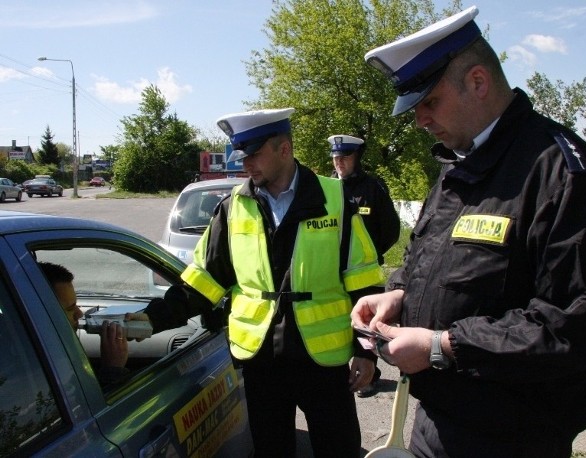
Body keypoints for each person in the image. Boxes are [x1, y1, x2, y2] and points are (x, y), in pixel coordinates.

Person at [351, 6, 586, 457]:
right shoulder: (460, 165)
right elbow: (430, 256)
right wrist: (397, 295)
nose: (420, 119)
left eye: (429, 102)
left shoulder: (562, 174)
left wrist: (442, 346)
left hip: (513, 437)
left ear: (477, 82)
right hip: (438, 420)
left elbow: (574, 327)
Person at [145, 108, 384, 457]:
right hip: (262, 362)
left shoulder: (334, 200)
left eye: (254, 154)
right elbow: (203, 282)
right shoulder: (233, 207)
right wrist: (151, 320)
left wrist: (366, 352)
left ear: (284, 149)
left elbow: (364, 283)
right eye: (243, 156)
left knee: (340, 449)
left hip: (324, 362)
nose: (247, 165)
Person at [328, 134, 400, 397]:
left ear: (356, 158)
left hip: (364, 274)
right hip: (335, 271)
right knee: (339, 322)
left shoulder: (373, 187)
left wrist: (370, 254)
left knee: (365, 325)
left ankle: (370, 375)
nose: (339, 163)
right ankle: (342, 371)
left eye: (344, 157)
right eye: (335, 158)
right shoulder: (327, 188)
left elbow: (391, 229)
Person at [38, 261, 129, 389]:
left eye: (76, 305)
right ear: (40, 314)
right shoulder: (38, 364)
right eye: (70, 309)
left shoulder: (47, 349)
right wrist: (113, 370)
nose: (79, 314)